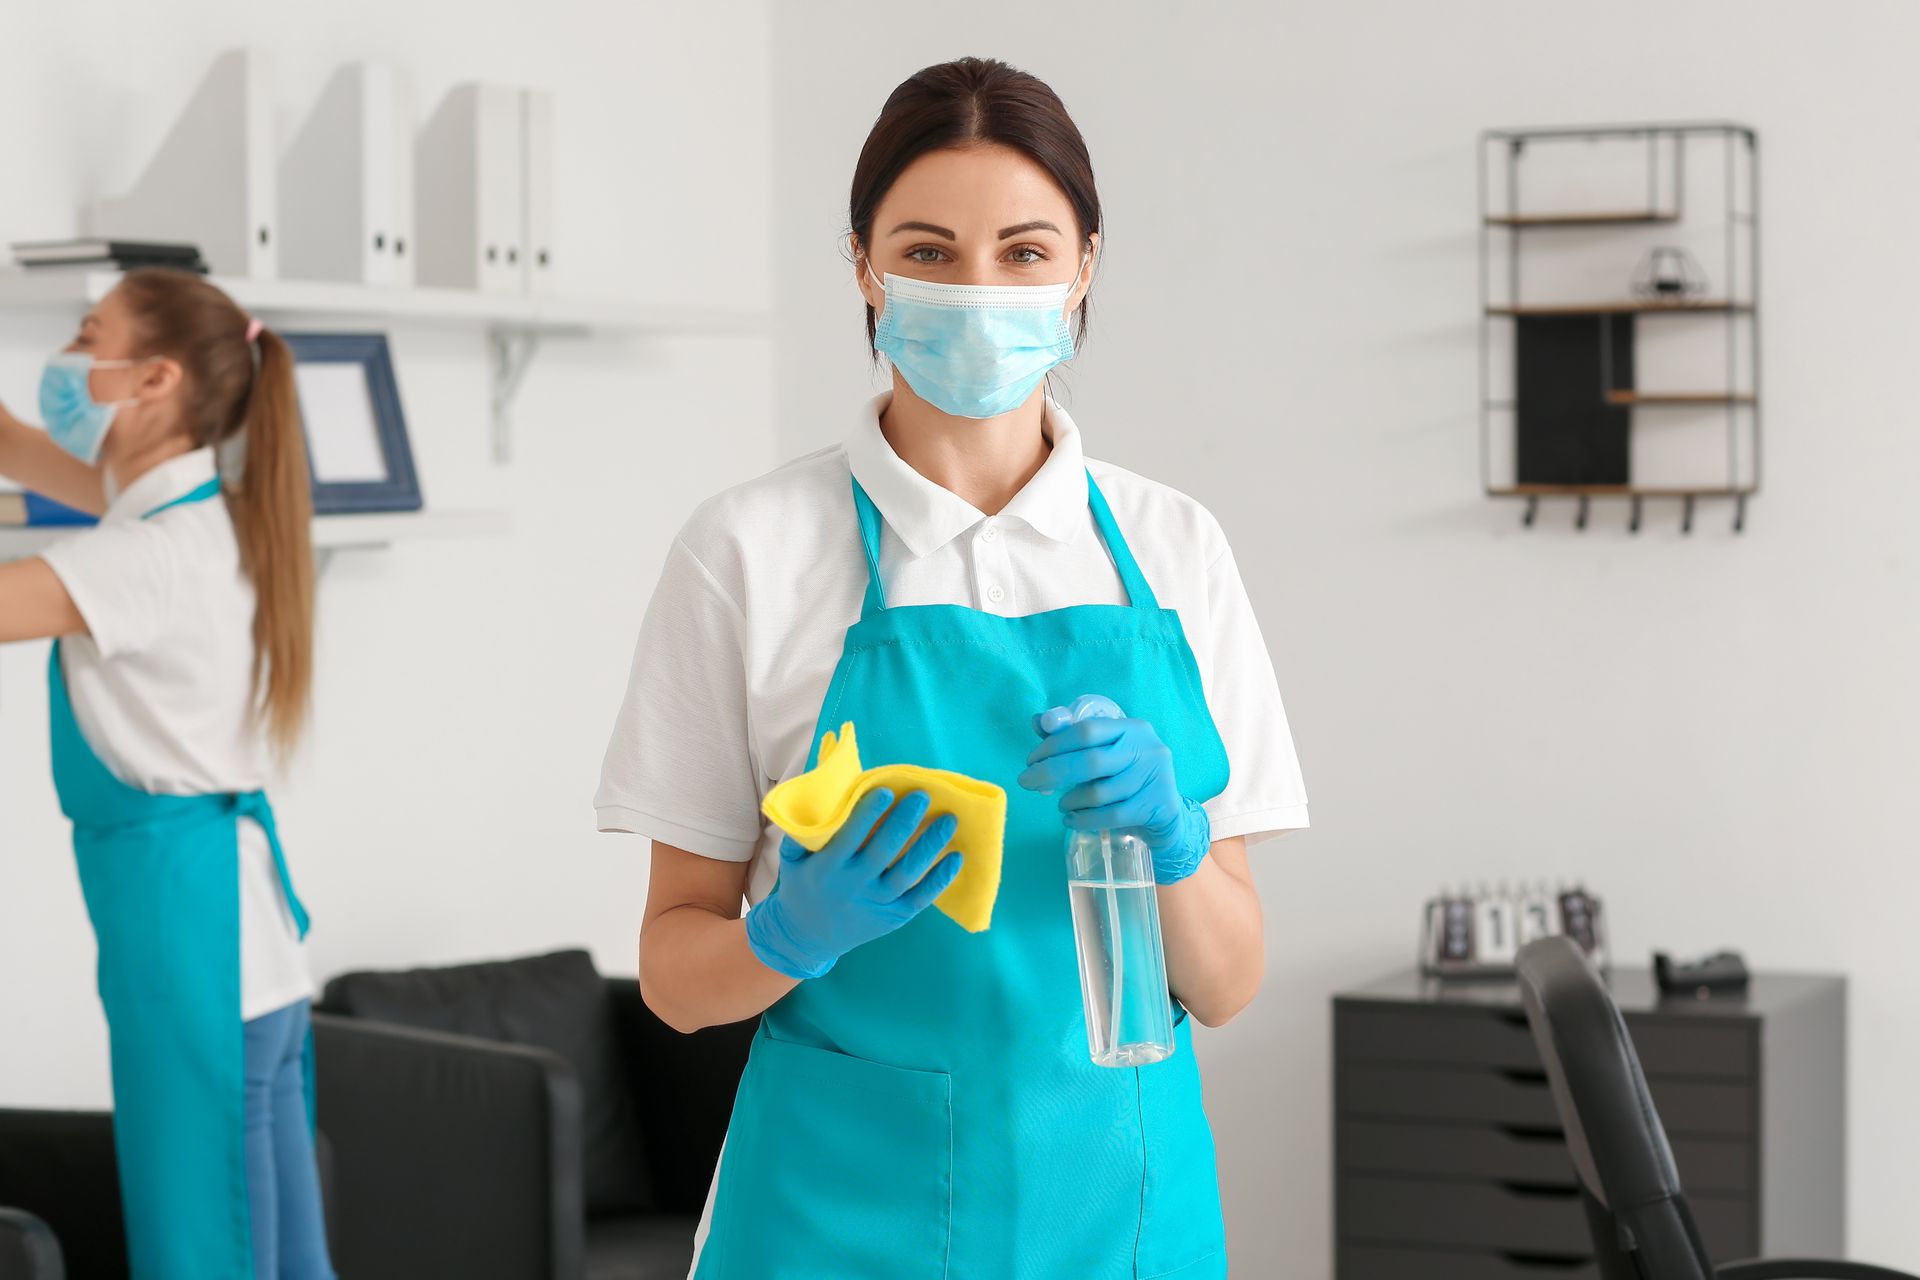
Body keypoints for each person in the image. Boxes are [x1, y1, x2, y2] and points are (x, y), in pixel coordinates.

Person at [597, 57, 1308, 1280]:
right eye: (927, 251)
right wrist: (791, 929)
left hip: (1121, 1213)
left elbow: (1229, 979)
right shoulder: (750, 552)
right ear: (865, 267)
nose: (977, 289)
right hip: (834, 1215)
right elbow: (673, 978)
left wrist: (1177, 838)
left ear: (1086, 263)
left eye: (1023, 253)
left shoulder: (1176, 549)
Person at [0, 269, 333, 1280]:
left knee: (203, 1251)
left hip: (194, 941)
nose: (67, 355)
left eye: (85, 334)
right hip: (242, 949)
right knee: (272, 1253)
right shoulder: (211, 512)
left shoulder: (144, 553)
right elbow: (35, 458)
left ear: (151, 377)